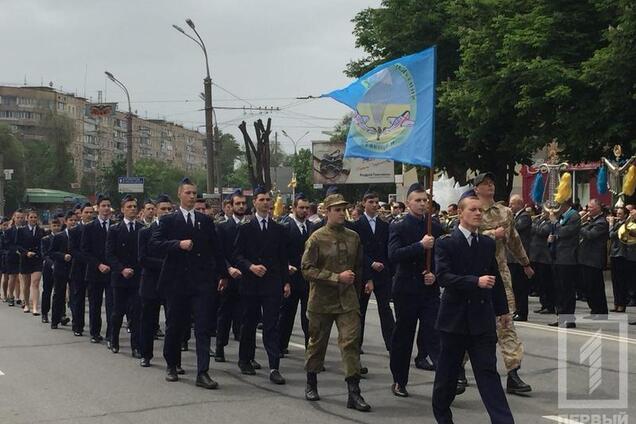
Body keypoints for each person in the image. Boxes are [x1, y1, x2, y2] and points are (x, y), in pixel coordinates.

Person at [432, 195, 514, 424]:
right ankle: (442, 415)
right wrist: (474, 281)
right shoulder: (446, 242)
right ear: (461, 213)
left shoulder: (487, 243)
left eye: (480, 210)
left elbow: (494, 276)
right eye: (473, 209)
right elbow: (444, 277)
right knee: (447, 376)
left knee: (488, 374)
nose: (478, 213)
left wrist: (503, 311)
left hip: (481, 321)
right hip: (454, 321)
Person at [151, 177, 227, 389]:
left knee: (203, 327)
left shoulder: (205, 221)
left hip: (201, 282)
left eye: (194, 193)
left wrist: (223, 274)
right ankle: (172, 364)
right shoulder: (168, 220)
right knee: (175, 325)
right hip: (176, 283)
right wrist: (178, 244)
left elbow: (216, 250)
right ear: (179, 194)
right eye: (188, 193)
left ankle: (203, 372)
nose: (192, 197)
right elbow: (155, 244)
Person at [301, 192, 371, 412]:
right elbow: (306, 269)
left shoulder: (353, 236)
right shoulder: (316, 238)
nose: (342, 213)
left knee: (351, 343)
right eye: (337, 209)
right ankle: (311, 381)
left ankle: (354, 392)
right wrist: (334, 277)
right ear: (327, 212)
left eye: (344, 209)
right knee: (317, 343)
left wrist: (361, 286)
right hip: (321, 299)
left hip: (347, 299)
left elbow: (359, 265)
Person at [470, 173, 532, 394]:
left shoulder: (505, 212)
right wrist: (491, 234)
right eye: (486, 184)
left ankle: (513, 374)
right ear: (476, 188)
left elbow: (513, 238)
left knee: (506, 324)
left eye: (492, 183)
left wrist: (525, 262)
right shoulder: (470, 209)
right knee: (471, 325)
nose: (491, 186)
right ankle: (455, 370)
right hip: (476, 275)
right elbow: (465, 236)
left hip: (501, 276)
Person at [388, 183, 441, 396]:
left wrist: (435, 273)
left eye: (425, 200)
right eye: (417, 200)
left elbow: (442, 256)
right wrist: (420, 246)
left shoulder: (434, 226)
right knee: (404, 337)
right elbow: (394, 255)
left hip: (429, 290)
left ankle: (448, 378)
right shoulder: (399, 226)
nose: (422, 204)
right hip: (406, 289)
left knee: (436, 333)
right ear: (408, 202)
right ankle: (399, 380)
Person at [233, 186, 289, 385]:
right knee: (248, 323)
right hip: (251, 283)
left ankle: (274, 366)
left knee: (271, 325)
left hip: (272, 283)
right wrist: (250, 266)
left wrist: (285, 282)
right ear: (254, 203)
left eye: (268, 199)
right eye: (262, 199)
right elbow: (237, 256)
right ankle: (245, 359)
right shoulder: (245, 227)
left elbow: (283, 258)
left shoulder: (279, 229)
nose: (266, 203)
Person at [353, 190, 395, 356]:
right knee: (361, 310)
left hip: (383, 273)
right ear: (364, 203)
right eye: (371, 202)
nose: (375, 205)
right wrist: (370, 263)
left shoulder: (385, 225)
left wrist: (386, 266)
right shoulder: (357, 225)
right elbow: (357, 250)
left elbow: (388, 248)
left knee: (385, 308)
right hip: (365, 272)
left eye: (377, 202)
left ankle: (392, 344)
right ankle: (357, 343)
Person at [138, 194, 173, 368]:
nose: (166, 212)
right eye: (163, 209)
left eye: (169, 209)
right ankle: (145, 354)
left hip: (171, 283)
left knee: (173, 322)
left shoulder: (177, 232)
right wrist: (167, 264)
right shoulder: (145, 232)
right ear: (156, 211)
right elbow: (142, 259)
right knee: (148, 320)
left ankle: (173, 361)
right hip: (151, 281)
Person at [106, 194, 143, 357]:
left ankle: (136, 345)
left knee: (135, 313)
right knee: (117, 312)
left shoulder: (142, 228)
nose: (132, 209)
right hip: (119, 278)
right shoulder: (114, 229)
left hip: (137, 277)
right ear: (122, 210)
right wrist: (121, 269)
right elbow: (109, 254)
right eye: (129, 207)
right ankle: (114, 340)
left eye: (134, 206)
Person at [214, 189, 247, 363]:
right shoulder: (222, 227)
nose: (241, 206)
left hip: (247, 278)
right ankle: (220, 347)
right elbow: (218, 253)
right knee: (224, 315)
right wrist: (227, 270)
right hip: (229, 277)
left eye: (243, 203)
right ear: (231, 206)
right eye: (237, 203)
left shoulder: (250, 226)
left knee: (245, 317)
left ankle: (246, 355)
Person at [279, 193, 313, 355]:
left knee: (309, 316)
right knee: (286, 314)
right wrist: (286, 266)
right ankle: (280, 345)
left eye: (307, 208)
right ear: (294, 208)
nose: (305, 211)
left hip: (307, 279)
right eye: (301, 208)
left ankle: (311, 349)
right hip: (291, 278)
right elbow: (279, 251)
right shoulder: (285, 226)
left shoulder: (312, 227)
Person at [81, 195, 114, 344]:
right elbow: (84, 251)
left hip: (112, 270)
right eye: (103, 206)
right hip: (95, 271)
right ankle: (95, 332)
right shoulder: (89, 227)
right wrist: (98, 265)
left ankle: (111, 334)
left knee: (112, 305)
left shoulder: (115, 226)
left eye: (108, 206)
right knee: (95, 304)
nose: (106, 208)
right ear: (97, 208)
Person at [549, 199, 580, 328]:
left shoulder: (573, 215)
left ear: (564, 204)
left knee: (567, 289)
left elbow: (565, 232)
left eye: (558, 205)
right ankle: (561, 316)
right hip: (558, 256)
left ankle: (569, 319)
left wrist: (554, 222)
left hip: (568, 257)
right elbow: (558, 233)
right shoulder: (563, 216)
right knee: (560, 289)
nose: (556, 208)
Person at [577, 199, 609, 317]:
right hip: (586, 258)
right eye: (588, 207)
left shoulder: (601, 222)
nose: (588, 210)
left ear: (597, 208)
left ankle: (600, 310)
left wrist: (579, 226)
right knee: (588, 287)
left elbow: (591, 235)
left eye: (590, 207)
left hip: (594, 259)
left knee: (595, 287)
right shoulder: (592, 220)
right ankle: (594, 309)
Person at [69, 203, 94, 337]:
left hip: (94, 269)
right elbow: (72, 250)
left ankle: (94, 329)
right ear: (81, 214)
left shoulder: (97, 228)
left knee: (94, 300)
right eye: (87, 212)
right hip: (79, 268)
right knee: (78, 299)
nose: (89, 215)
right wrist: (87, 258)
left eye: (91, 212)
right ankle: (77, 325)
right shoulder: (74, 230)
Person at [49, 212, 76, 329]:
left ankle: (77, 322)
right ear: (66, 222)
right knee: (59, 295)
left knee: (75, 296)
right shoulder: (59, 236)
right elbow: (51, 252)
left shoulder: (79, 235)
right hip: (61, 269)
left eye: (75, 220)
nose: (73, 223)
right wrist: (63, 256)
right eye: (71, 220)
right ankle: (55, 320)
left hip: (75, 269)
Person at [507, 194, 532, 321]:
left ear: (519, 204)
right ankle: (517, 310)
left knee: (521, 286)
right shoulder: (515, 216)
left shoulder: (525, 217)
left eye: (512, 204)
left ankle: (522, 312)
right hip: (512, 257)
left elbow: (515, 229)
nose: (510, 206)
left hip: (519, 258)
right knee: (514, 286)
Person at [16, 209, 46, 315]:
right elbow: (18, 245)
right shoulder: (21, 230)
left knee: (36, 282)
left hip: (37, 259)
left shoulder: (41, 231)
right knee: (26, 284)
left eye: (35, 217)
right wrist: (26, 253)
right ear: (27, 218)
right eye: (31, 217)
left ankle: (35, 307)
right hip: (25, 259)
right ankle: (27, 304)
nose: (33, 219)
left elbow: (44, 244)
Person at [529, 210, 555, 315]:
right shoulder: (540, 221)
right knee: (539, 283)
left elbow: (542, 232)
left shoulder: (549, 223)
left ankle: (549, 305)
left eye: (546, 212)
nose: (543, 213)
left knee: (546, 283)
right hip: (536, 256)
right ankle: (543, 304)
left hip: (544, 257)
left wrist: (533, 224)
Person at [40, 215, 62, 323]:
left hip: (61, 268)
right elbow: (44, 254)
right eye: (54, 225)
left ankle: (60, 314)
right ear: (50, 226)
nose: (56, 227)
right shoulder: (46, 239)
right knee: (47, 291)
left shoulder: (63, 237)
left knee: (59, 292)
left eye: (58, 225)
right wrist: (52, 264)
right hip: (49, 267)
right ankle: (44, 313)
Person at [609, 207, 630, 312]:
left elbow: (612, 235)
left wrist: (611, 224)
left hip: (621, 254)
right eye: (617, 213)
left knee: (621, 281)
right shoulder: (618, 223)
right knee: (615, 281)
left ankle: (622, 303)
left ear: (625, 215)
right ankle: (616, 303)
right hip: (614, 254)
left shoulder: (625, 224)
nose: (618, 215)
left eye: (620, 214)